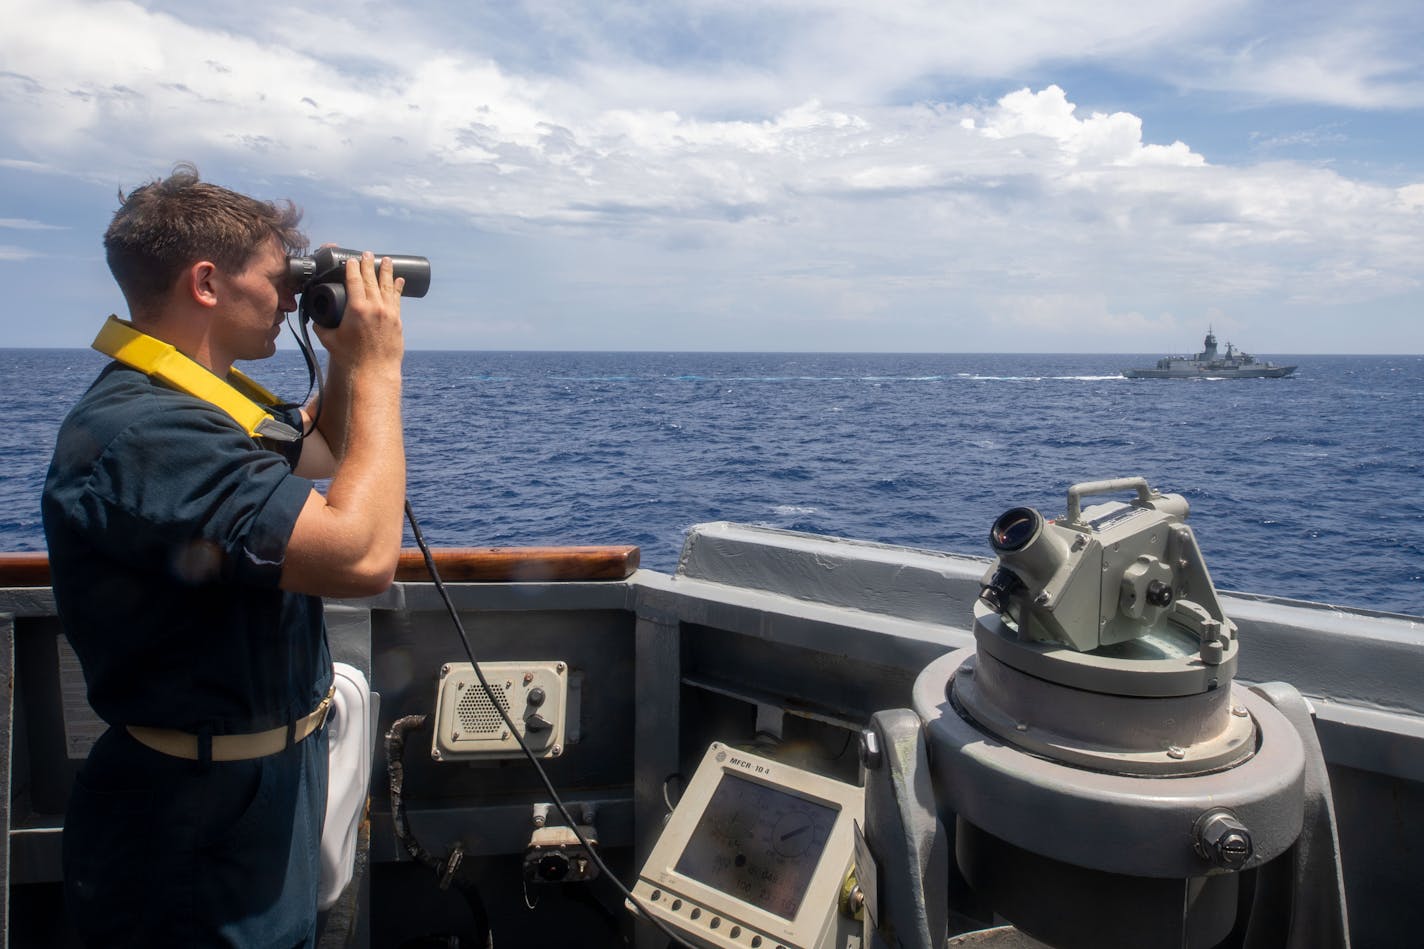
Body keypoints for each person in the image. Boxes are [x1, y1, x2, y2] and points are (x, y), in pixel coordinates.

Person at [41, 163, 407, 947]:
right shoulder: (147, 432)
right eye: (280, 280)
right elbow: (362, 556)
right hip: (191, 818)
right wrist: (380, 366)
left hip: (261, 787)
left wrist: (345, 355)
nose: (288, 300)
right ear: (206, 282)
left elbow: (324, 447)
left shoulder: (206, 402)